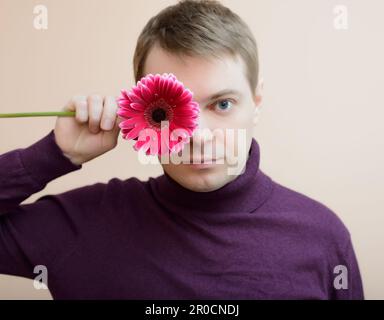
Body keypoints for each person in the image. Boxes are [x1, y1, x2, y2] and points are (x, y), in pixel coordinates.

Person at [0, 0, 364, 299]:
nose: (198, 136)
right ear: (144, 111)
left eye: (222, 104)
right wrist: (52, 154)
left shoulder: (322, 237)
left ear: (256, 101)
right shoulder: (82, 224)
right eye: (168, 110)